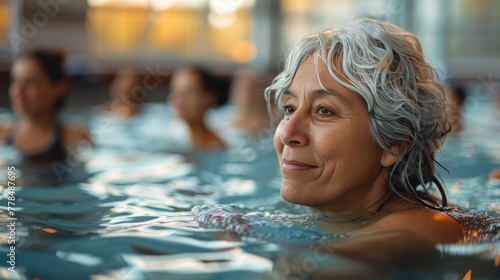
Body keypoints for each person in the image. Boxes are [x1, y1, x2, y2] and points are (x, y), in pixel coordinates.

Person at [264, 18, 464, 270]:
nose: (287, 133)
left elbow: (312, 271)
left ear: (393, 143)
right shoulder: (315, 216)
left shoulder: (424, 226)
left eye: (324, 111)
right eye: (289, 108)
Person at [0, 49, 92, 184]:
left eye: (31, 81)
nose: (18, 91)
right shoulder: (2, 135)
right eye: (14, 80)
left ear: (58, 87)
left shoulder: (74, 137)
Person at [167, 66, 226, 151]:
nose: (179, 101)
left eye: (189, 92)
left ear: (209, 98)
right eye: (175, 91)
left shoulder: (215, 148)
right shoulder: (184, 141)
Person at [229, 69, 271, 135]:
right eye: (242, 88)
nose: (247, 93)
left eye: (253, 88)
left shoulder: (273, 123)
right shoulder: (217, 117)